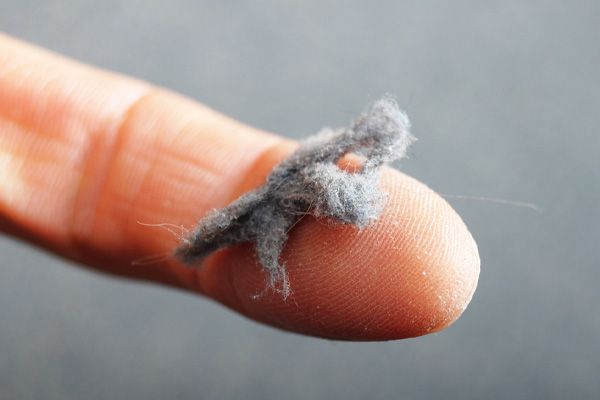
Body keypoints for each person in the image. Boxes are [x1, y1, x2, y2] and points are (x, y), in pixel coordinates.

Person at [0, 34, 479, 341]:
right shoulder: (291, 190)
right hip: (268, 200)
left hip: (280, 195)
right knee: (233, 233)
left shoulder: (326, 171)